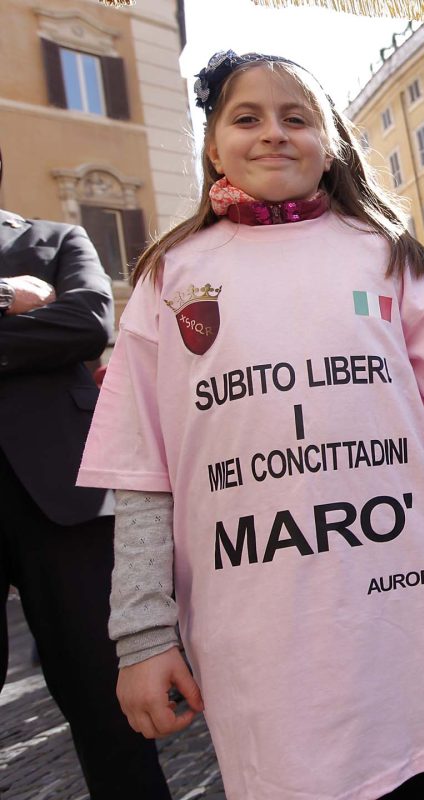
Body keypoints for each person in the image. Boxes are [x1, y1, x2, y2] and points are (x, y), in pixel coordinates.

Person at [76, 52, 424, 800]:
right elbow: (142, 472)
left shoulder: (387, 256)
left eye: (296, 118)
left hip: (403, 599)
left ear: (331, 142)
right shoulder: (169, 278)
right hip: (262, 628)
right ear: (213, 146)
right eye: (246, 118)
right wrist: (144, 632)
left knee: (421, 778)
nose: (273, 134)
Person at [0, 148, 171, 799]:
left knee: (109, 709)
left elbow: (87, 322)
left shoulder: (55, 238)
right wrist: (7, 299)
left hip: (64, 502)